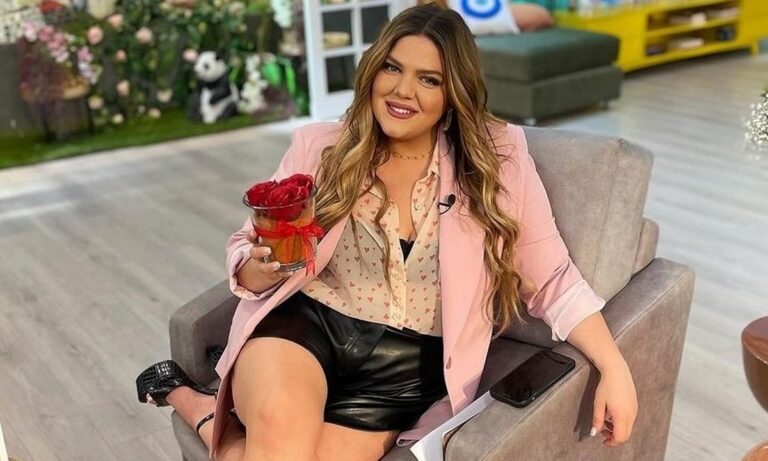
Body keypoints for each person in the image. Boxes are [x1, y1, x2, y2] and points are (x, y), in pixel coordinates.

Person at [136, 3, 638, 460]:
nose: (402, 91)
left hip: (405, 373)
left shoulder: (497, 159)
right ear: (374, 69)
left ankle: (194, 403)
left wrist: (615, 368)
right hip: (306, 328)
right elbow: (246, 246)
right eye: (393, 68)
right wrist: (260, 269)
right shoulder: (321, 147)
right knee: (280, 446)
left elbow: (551, 278)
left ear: (453, 94)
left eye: (429, 79)